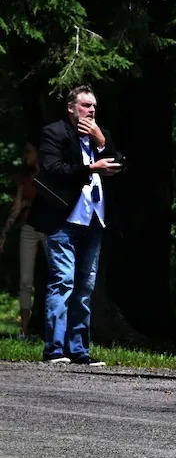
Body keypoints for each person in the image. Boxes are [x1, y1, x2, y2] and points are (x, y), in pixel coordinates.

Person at [29, 85, 123, 365]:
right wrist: (92, 168)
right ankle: (54, 350)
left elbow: (121, 164)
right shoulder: (54, 133)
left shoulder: (100, 135)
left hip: (94, 220)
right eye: (85, 105)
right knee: (63, 282)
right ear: (71, 108)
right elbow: (53, 170)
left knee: (85, 286)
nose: (91, 110)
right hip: (64, 219)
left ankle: (79, 350)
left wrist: (101, 141)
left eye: (94, 106)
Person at [0, 142, 43, 337]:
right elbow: (16, 207)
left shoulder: (50, 173)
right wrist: (5, 231)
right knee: (25, 281)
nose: (25, 155)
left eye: (28, 151)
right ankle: (24, 331)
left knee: (58, 276)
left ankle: (56, 329)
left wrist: (31, 203)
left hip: (49, 228)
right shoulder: (24, 177)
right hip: (28, 228)